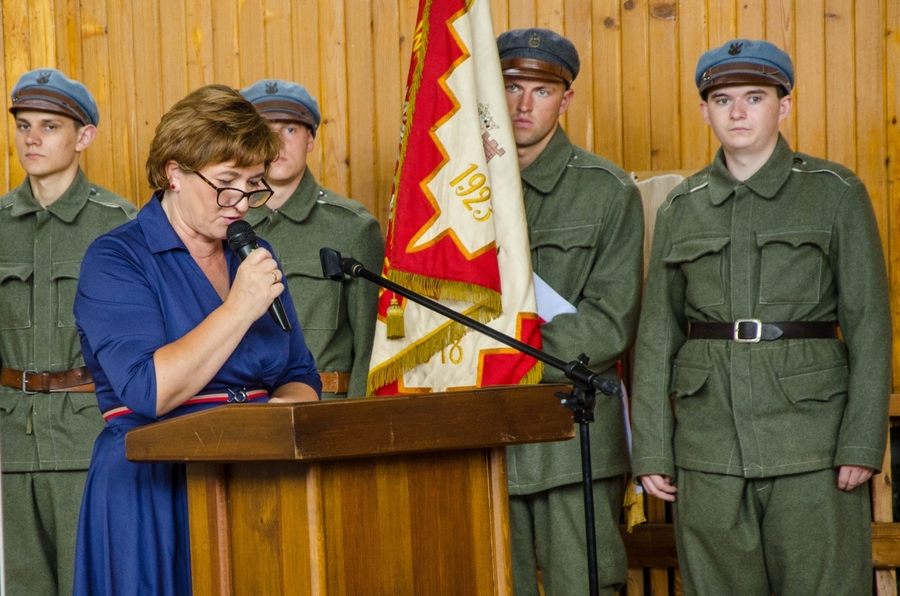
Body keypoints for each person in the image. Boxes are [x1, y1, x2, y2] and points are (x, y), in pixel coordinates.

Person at [631, 39, 891, 595]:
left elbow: (870, 325)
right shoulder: (683, 206)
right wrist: (651, 446)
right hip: (708, 444)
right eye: (723, 100)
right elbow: (656, 335)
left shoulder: (835, 193)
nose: (739, 112)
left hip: (811, 442)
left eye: (755, 96)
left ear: (785, 105)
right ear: (704, 111)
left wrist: (862, 442)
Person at [71, 84, 321, 595]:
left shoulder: (250, 251)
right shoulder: (116, 259)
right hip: (154, 491)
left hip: (253, 483)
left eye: (253, 184)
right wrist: (238, 308)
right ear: (174, 172)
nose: (240, 203)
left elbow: (301, 375)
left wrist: (267, 426)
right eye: (226, 182)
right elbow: (148, 390)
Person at [498, 29, 644, 596]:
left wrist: (501, 353)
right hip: (488, 430)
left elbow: (609, 323)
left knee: (583, 587)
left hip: (572, 431)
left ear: (567, 98)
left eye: (540, 90)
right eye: (511, 86)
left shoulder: (607, 191)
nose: (523, 104)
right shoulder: (458, 196)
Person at [0, 69, 137, 596]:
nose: (31, 138)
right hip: (10, 445)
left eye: (50, 126)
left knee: (94, 585)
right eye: (24, 125)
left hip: (88, 439)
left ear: (84, 137)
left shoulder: (118, 224)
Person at [241, 79, 385, 399]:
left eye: (290, 130)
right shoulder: (224, 225)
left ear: (310, 141)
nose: (277, 142)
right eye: (264, 130)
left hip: (323, 412)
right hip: (240, 414)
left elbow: (371, 348)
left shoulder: (352, 228)